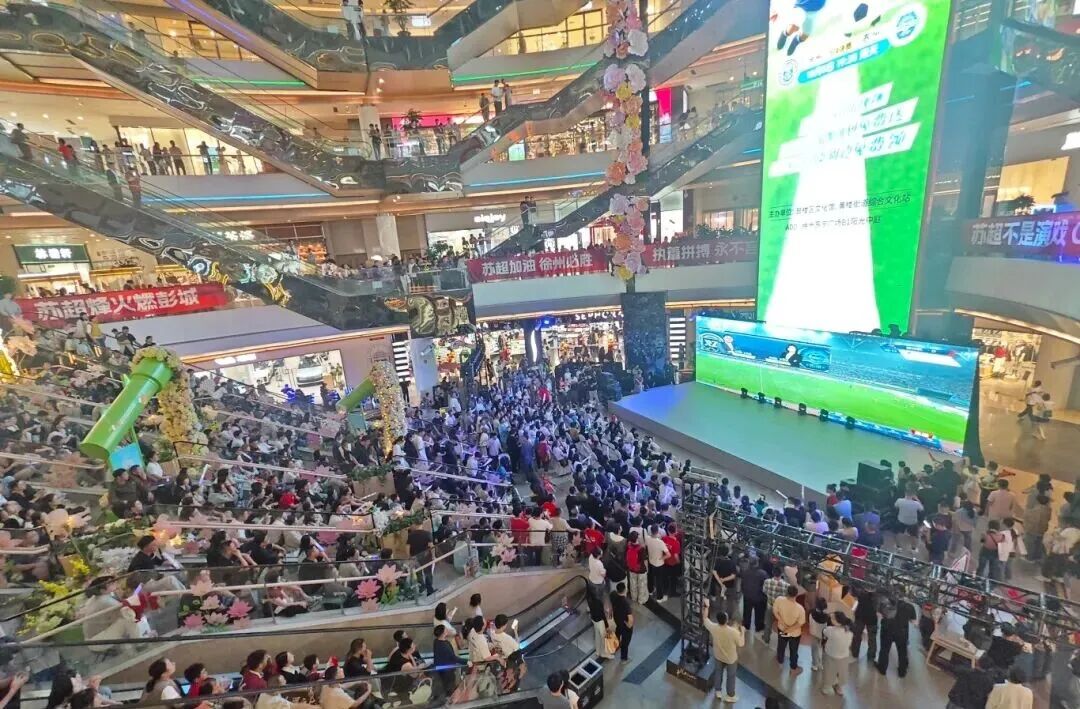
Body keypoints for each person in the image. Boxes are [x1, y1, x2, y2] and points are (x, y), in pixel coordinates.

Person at [702, 598, 744, 703]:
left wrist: (707, 607)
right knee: (731, 676)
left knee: (718, 673)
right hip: (731, 659)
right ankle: (730, 695)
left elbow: (705, 619)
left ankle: (718, 691)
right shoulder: (733, 632)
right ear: (726, 620)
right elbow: (741, 643)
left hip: (718, 655)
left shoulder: (714, 628)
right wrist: (742, 632)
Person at [875, 593, 916, 677]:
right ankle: (902, 672)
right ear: (904, 596)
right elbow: (914, 622)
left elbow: (878, 615)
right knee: (902, 652)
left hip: (887, 630)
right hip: (902, 632)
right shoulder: (910, 607)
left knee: (884, 650)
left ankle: (882, 669)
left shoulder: (885, 603)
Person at [773, 584, 805, 674]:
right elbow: (800, 623)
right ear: (796, 594)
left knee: (781, 646)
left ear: (786, 592)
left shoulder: (779, 600)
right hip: (794, 634)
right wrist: (790, 629)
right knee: (793, 651)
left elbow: (775, 611)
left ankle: (780, 661)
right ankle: (793, 668)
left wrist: (782, 621)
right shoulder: (800, 608)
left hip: (782, 629)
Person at [821, 612, 853, 695]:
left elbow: (824, 631)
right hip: (844, 656)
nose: (830, 619)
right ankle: (839, 687)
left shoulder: (831, 630)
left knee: (829, 671)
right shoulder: (849, 631)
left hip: (831, 655)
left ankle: (827, 687)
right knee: (841, 672)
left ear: (837, 621)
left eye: (832, 618)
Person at [406, 520, 435, 595]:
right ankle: (429, 589)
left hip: (415, 557)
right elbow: (431, 546)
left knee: (418, 573)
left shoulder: (410, 535)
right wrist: (433, 556)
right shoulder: (427, 533)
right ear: (422, 524)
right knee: (428, 572)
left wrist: (409, 557)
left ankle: (422, 587)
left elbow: (407, 548)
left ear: (415, 525)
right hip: (426, 556)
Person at [894, 486, 924, 553]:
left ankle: (898, 547)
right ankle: (913, 549)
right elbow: (922, 509)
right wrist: (917, 499)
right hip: (912, 522)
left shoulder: (899, 500)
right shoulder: (916, 504)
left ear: (905, 493)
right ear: (913, 495)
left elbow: (895, 506)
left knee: (898, 533)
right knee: (914, 536)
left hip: (901, 520)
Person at [609, 581, 633, 663]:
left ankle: (614, 647)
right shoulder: (626, 603)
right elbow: (630, 618)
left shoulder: (613, 595)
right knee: (625, 641)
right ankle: (624, 659)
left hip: (617, 620)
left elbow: (611, 606)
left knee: (618, 632)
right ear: (625, 590)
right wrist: (629, 626)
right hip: (624, 624)